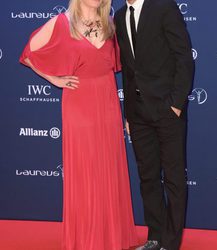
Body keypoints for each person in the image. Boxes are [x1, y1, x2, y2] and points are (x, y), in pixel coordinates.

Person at [20, 0, 139, 249]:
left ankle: (112, 236)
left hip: (107, 101)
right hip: (79, 103)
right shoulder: (63, 23)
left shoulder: (111, 23)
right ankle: (86, 238)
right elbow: (29, 52)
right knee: (85, 169)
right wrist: (53, 78)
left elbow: (129, 64)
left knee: (109, 166)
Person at [114, 0, 194, 249]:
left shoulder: (163, 7)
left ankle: (171, 243)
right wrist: (128, 113)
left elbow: (184, 57)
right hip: (138, 115)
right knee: (148, 178)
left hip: (167, 110)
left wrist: (176, 104)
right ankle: (155, 237)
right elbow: (129, 69)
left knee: (173, 179)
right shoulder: (119, 16)